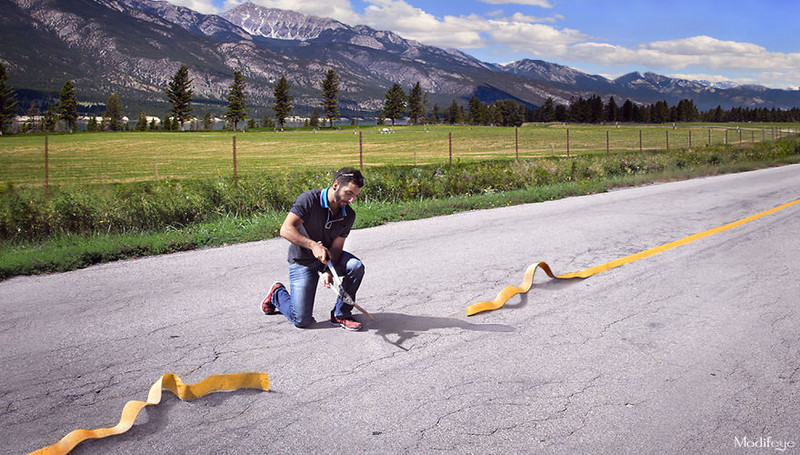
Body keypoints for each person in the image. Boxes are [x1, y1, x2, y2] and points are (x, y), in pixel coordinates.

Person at [261, 167, 366, 331]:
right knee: (301, 320)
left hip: (328, 259)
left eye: (355, 196)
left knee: (356, 266)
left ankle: (341, 314)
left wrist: (328, 270)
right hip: (302, 260)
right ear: (336, 185)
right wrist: (313, 245)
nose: (352, 200)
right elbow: (286, 229)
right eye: (349, 193)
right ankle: (277, 294)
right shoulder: (309, 200)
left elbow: (337, 248)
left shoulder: (348, 214)